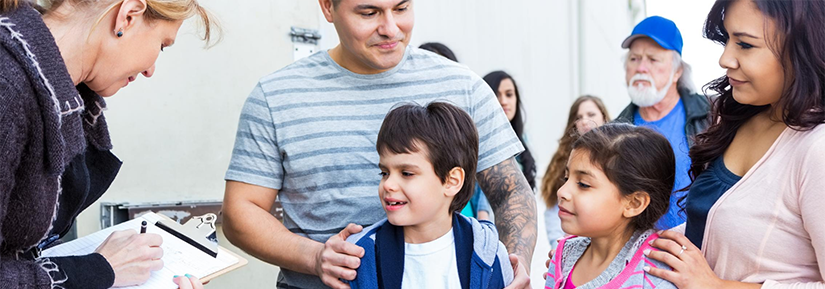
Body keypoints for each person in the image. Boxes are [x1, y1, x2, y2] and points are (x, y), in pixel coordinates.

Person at [221, 1, 536, 288]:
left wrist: (514, 262)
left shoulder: (463, 86)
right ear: (328, 7)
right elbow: (240, 212)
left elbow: (511, 192)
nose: (390, 28)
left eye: (401, 8)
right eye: (368, 13)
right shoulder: (276, 96)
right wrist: (315, 257)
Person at [0, 0, 217, 288]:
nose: (151, 69)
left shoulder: (65, 100)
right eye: (162, 45)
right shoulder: (8, 84)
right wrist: (96, 270)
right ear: (128, 16)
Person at [645, 0, 825, 287]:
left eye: (745, 45)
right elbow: (709, 230)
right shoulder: (736, 118)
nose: (725, 59)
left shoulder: (817, 148)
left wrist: (717, 285)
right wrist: (615, 251)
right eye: (727, 39)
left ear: (800, 49)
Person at [346, 102, 513, 289]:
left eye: (406, 173)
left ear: (452, 181)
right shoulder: (359, 256)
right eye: (384, 173)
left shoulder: (489, 253)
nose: (389, 185)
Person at [544, 123, 677, 289]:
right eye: (566, 178)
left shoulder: (655, 276)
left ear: (634, 203)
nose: (562, 192)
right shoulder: (562, 255)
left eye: (583, 184)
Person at [616, 16, 710, 230]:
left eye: (653, 59)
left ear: (677, 71)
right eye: (634, 59)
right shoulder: (616, 131)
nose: (641, 68)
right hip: (644, 256)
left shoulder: (712, 115)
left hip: (703, 248)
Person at [541, 95, 610, 249]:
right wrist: (560, 246)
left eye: (591, 115)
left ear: (604, 117)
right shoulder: (561, 161)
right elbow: (553, 208)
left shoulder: (618, 156)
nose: (585, 121)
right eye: (579, 117)